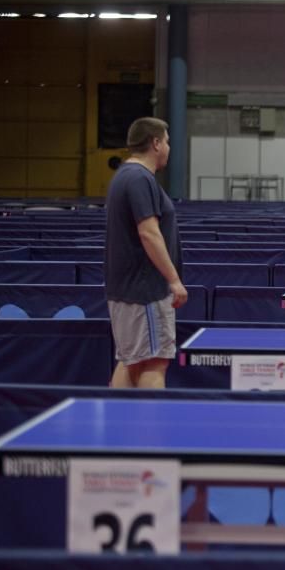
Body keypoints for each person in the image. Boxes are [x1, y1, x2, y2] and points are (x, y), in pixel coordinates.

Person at [104, 117, 187, 388]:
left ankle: (117, 429)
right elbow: (148, 232)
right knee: (154, 362)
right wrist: (173, 279)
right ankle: (151, 430)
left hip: (129, 289)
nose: (168, 148)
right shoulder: (139, 178)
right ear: (155, 143)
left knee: (132, 361)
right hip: (145, 292)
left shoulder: (126, 176)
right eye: (167, 141)